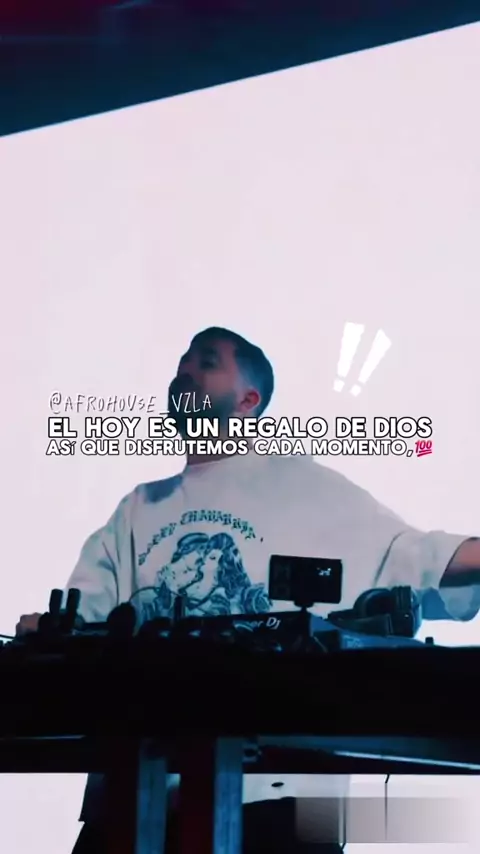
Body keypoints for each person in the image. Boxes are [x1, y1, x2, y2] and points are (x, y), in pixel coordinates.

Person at [16, 326, 480, 852]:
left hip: (276, 806)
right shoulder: (137, 509)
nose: (186, 371)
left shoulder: (305, 487)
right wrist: (47, 632)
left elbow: (416, 555)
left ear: (248, 400)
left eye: (207, 362)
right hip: (137, 801)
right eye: (182, 361)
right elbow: (81, 625)